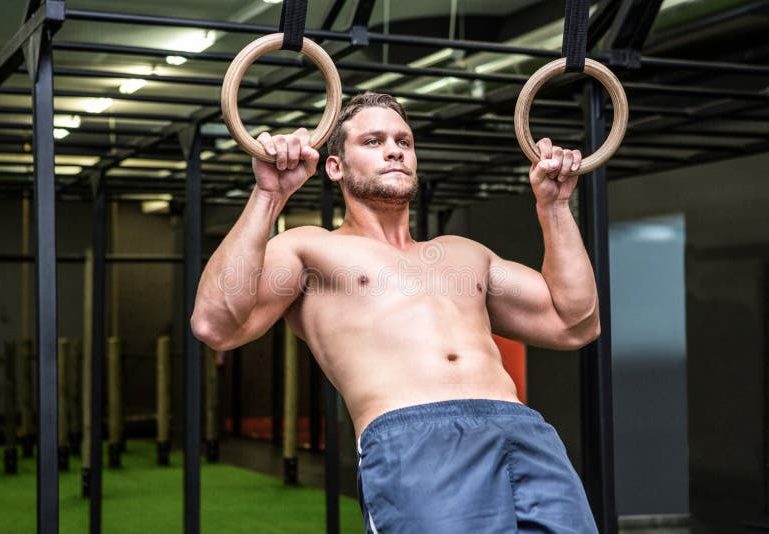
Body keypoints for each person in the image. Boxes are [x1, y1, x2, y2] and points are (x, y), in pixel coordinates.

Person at [192, 92, 600, 533]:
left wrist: (554, 207)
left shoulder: (462, 254)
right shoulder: (311, 250)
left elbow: (575, 322)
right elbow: (215, 323)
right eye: (372, 141)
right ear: (335, 168)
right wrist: (268, 196)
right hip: (415, 438)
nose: (393, 150)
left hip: (522, 431)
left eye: (403, 141)